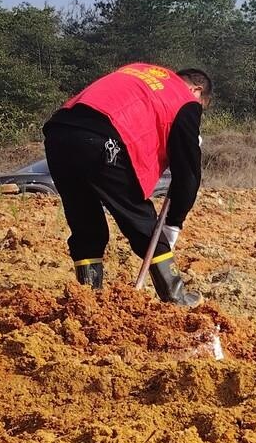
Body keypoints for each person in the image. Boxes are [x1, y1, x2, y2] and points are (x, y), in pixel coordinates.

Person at [42, 63, 209, 306]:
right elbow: (188, 174)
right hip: (103, 140)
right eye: (202, 106)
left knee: (84, 220)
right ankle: (175, 295)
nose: (198, 112)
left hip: (60, 132)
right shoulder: (185, 100)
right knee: (140, 219)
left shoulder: (139, 71)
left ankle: (88, 298)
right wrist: (173, 224)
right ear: (197, 90)